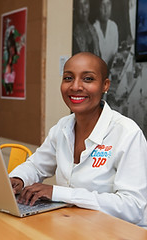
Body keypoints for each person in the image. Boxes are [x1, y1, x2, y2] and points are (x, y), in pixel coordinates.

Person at [10, 52, 147, 227]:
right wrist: (19, 178)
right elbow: (36, 166)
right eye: (68, 78)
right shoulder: (62, 127)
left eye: (88, 79)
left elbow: (132, 206)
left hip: (121, 231)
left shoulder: (127, 133)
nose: (75, 86)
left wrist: (58, 193)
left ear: (105, 85)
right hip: (76, 225)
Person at [93, 0, 118, 67]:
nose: (106, 10)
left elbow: (115, 54)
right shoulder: (93, 28)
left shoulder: (113, 26)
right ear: (98, 7)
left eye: (108, 5)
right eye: (102, 5)